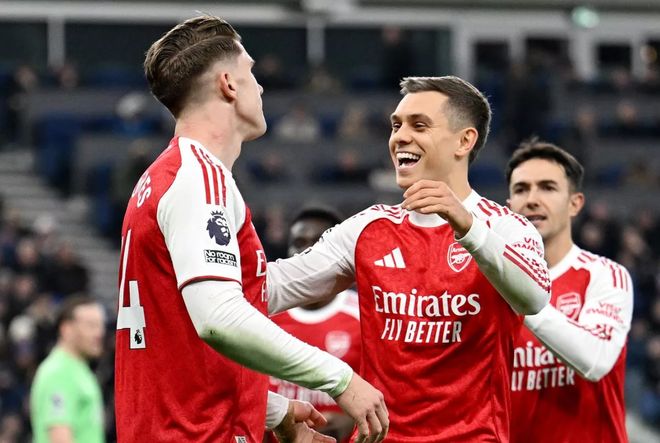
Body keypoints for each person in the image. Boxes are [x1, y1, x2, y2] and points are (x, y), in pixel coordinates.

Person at [114, 15, 388, 443]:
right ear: (228, 84)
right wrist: (340, 379)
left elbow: (193, 320)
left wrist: (273, 410)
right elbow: (220, 318)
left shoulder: (166, 176)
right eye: (251, 73)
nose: (260, 88)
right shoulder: (200, 179)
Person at [267, 76, 550, 441]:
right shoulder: (368, 228)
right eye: (396, 125)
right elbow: (270, 287)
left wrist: (467, 227)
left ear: (464, 141)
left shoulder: (506, 227)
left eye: (419, 125)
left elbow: (534, 298)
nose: (400, 137)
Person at [505, 139, 633, 442]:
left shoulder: (604, 275)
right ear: (508, 207)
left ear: (575, 203)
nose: (532, 200)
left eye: (547, 188)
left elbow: (595, 359)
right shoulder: (486, 287)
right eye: (521, 189)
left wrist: (521, 295)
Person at [267, 207, 361, 443]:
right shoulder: (262, 316)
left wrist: (350, 421)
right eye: (298, 243)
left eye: (318, 244)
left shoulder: (362, 314)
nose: (306, 252)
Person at [30, 296, 106, 443]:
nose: (99, 333)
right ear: (66, 329)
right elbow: (59, 437)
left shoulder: (79, 369)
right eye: (91, 325)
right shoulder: (59, 372)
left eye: (100, 325)